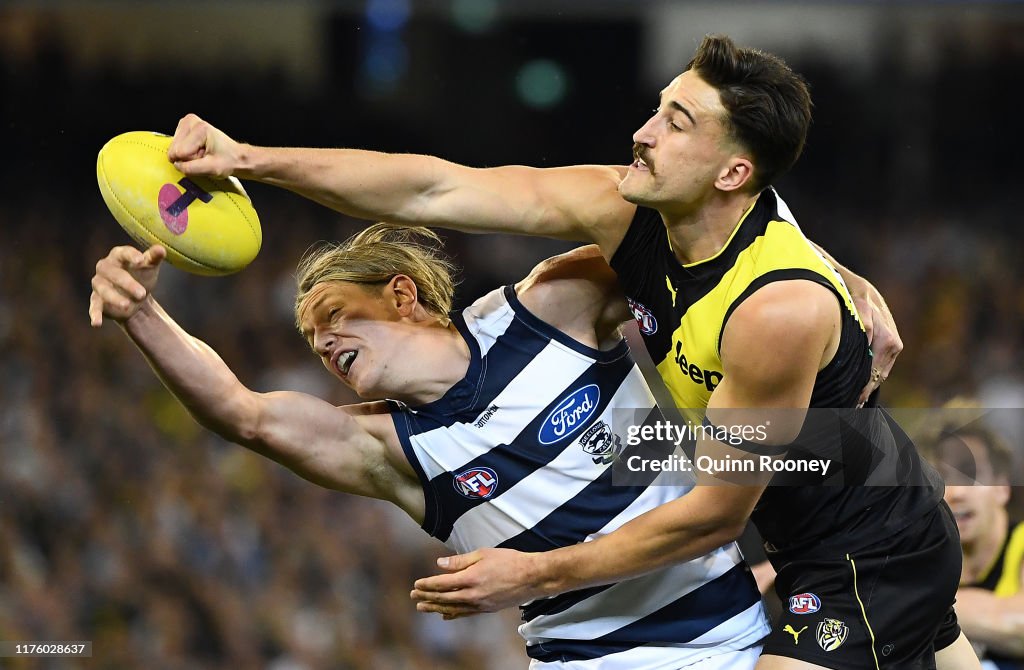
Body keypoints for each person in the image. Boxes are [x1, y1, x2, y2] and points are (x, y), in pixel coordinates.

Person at [165, 33, 976, 669]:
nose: (643, 132)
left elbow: (715, 514)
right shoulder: (624, 211)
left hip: (867, 545)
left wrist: (533, 574)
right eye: (660, 107)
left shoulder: (775, 310)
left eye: (676, 122)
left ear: (732, 170)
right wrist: (249, 160)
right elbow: (434, 189)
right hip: (792, 540)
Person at [88, 225, 772, 669]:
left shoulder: (546, 308)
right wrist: (141, 314)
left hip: (741, 632)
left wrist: (828, 283)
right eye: (312, 341)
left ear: (402, 295)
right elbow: (244, 415)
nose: (323, 344)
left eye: (332, 316)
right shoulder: (389, 449)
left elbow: (692, 249)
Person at [925, 421, 1024, 669]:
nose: (957, 493)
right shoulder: (924, 555)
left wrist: (919, 599)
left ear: (1002, 488)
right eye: (942, 478)